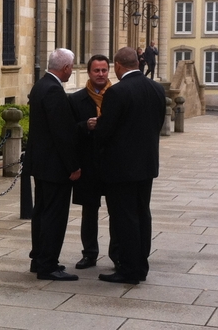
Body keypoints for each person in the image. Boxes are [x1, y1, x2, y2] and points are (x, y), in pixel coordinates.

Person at [95, 47, 166, 284]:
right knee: (142, 214)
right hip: (146, 165)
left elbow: (105, 132)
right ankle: (141, 266)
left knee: (124, 218)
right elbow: (157, 124)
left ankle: (128, 270)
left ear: (117, 65)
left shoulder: (117, 92)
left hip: (121, 168)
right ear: (138, 62)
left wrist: (97, 128)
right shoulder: (156, 88)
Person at [24, 48, 81, 281]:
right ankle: (48, 264)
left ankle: (38, 259)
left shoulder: (41, 85)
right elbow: (62, 134)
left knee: (41, 213)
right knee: (54, 216)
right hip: (55, 167)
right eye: (71, 67)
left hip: (41, 165)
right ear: (66, 68)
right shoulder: (54, 90)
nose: (71, 71)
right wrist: (73, 166)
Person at [68, 55, 118, 270]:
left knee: (117, 211)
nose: (101, 74)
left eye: (104, 70)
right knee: (89, 211)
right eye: (96, 70)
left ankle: (117, 254)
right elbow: (68, 130)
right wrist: (84, 126)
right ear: (89, 72)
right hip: (88, 163)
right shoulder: (76, 99)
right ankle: (89, 254)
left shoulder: (117, 96)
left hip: (112, 163)